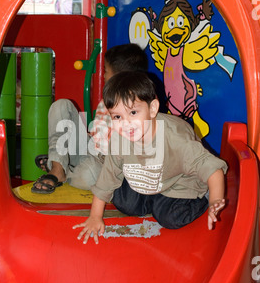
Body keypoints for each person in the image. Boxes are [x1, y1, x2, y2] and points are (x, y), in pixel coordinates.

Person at [74, 70, 227, 244]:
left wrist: (215, 200)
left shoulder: (176, 140)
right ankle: (155, 200)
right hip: (149, 180)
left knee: (170, 217)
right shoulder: (120, 138)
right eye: (117, 116)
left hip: (179, 183)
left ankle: (200, 199)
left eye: (133, 113)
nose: (126, 124)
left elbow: (213, 169)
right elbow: (107, 178)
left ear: (152, 108)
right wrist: (95, 216)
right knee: (123, 202)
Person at [31, 44, 148, 193]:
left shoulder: (140, 104)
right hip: (89, 150)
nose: (104, 76)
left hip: (107, 165)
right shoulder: (108, 97)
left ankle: (61, 166)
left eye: (106, 71)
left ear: (119, 76)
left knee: (87, 176)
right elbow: (98, 133)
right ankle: (58, 168)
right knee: (61, 106)